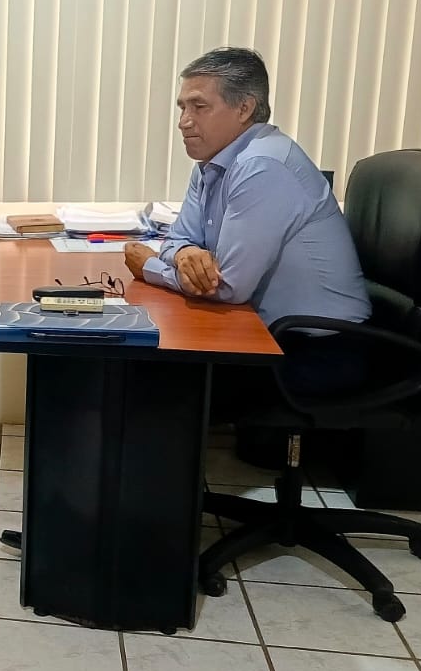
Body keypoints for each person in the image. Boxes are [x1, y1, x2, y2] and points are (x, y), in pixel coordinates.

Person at [124, 46, 372, 411]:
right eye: (182, 107)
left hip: (320, 351)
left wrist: (149, 266)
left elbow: (226, 287)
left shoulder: (263, 165)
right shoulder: (211, 163)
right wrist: (187, 253)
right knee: (144, 361)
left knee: (149, 377)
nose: (184, 121)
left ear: (244, 108)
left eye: (199, 106)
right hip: (267, 332)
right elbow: (179, 238)